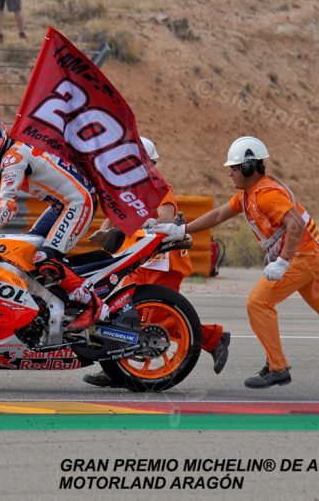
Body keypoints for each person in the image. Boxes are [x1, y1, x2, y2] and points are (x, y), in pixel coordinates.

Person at [157, 136, 319, 400]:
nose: (230, 173)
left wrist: (284, 261)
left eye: (233, 168)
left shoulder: (267, 194)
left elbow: (296, 225)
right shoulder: (247, 195)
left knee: (258, 302)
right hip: (311, 256)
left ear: (248, 167)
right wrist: (180, 229)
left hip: (305, 256)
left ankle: (277, 367)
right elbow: (219, 215)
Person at [82, 137, 231, 388]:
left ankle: (214, 339)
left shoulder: (161, 188)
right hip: (137, 261)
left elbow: (166, 218)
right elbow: (115, 213)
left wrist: (146, 224)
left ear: (148, 163)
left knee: (162, 319)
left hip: (165, 262)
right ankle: (115, 366)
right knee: (125, 316)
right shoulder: (125, 189)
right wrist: (103, 231)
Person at [0, 113, 108, 331]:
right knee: (25, 253)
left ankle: (93, 304)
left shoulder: (14, 157)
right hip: (59, 206)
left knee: (44, 258)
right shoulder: (5, 158)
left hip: (77, 203)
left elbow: (7, 205)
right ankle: (52, 307)